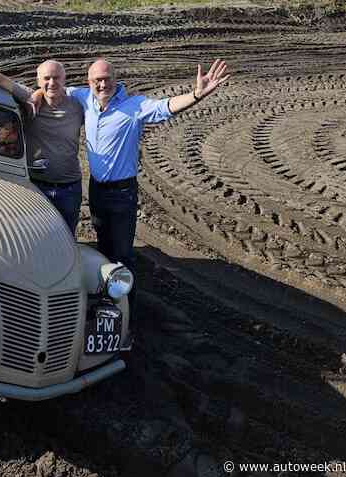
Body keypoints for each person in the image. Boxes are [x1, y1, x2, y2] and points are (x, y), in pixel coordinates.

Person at [50, 58, 230, 327]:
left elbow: (166, 107)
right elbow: (50, 88)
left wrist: (196, 94)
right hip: (97, 190)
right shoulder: (83, 98)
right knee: (103, 250)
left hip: (122, 194)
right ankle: (104, 306)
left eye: (107, 78)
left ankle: (125, 317)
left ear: (115, 78)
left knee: (122, 255)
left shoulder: (135, 107)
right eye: (96, 80)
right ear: (89, 82)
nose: (102, 84)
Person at [0, 60, 84, 235]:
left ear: (64, 79)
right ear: (38, 81)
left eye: (57, 78)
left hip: (70, 187)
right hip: (36, 186)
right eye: (47, 78)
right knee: (35, 235)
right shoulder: (29, 98)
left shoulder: (78, 106)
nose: (52, 83)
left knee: (67, 235)